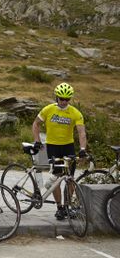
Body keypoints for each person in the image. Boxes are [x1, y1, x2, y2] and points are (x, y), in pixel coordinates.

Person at [32, 82, 87, 220]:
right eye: (61, 99)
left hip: (68, 147)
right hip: (53, 147)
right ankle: (59, 207)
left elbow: (81, 133)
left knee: (69, 179)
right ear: (56, 97)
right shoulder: (48, 109)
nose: (64, 102)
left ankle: (67, 206)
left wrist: (82, 149)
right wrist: (37, 140)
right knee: (57, 178)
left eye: (67, 99)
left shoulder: (75, 112)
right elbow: (36, 124)